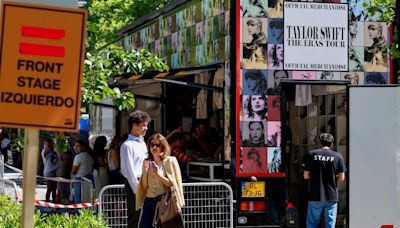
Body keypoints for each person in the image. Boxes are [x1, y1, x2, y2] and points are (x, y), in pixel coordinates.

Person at [136, 133, 185, 228]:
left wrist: (157, 174)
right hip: (149, 199)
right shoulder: (146, 161)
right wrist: (145, 172)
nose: (154, 147)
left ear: (163, 146)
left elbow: (171, 184)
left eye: (157, 145)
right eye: (152, 144)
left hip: (164, 200)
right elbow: (145, 186)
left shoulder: (169, 161)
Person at [303, 133, 346, 228]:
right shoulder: (338, 157)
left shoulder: (311, 154)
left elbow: (305, 176)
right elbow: (342, 178)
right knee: (330, 224)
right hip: (331, 196)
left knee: (312, 223)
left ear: (320, 144)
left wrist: (315, 176)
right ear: (332, 144)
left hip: (315, 195)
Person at [120, 110, 151, 228]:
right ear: (134, 125)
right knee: (135, 217)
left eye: (146, 125)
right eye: (143, 125)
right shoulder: (127, 145)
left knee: (145, 216)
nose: (146, 128)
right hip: (135, 184)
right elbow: (130, 172)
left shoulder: (142, 143)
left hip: (145, 182)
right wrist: (138, 190)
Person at [71, 139, 94, 203]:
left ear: (83, 147)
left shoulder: (78, 157)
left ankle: (77, 212)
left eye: (78, 146)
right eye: (75, 146)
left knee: (78, 199)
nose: (75, 148)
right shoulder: (90, 156)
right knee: (87, 199)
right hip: (89, 179)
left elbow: (74, 171)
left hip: (79, 179)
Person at [41, 138, 59, 202]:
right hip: (48, 172)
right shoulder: (45, 151)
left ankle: (53, 202)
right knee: (49, 188)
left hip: (55, 172)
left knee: (54, 189)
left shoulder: (55, 151)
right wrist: (47, 145)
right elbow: (45, 153)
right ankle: (47, 202)